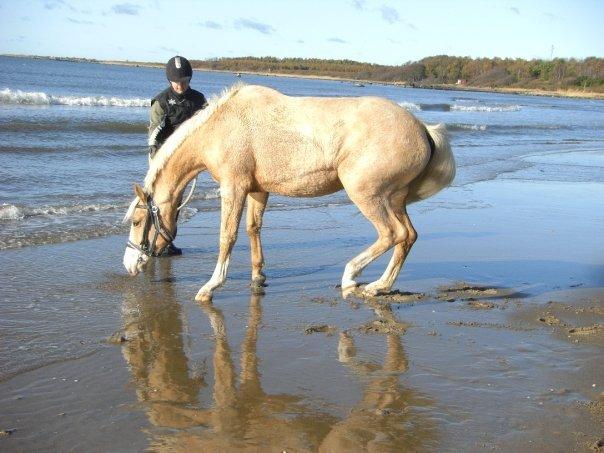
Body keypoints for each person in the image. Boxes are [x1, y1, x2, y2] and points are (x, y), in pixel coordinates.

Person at [147, 56, 207, 256]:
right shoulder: (161, 102)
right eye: (176, 82)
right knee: (159, 202)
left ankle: (167, 241)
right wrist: (156, 166)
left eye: (184, 81)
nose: (180, 85)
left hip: (188, 161)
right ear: (169, 80)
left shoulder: (199, 100)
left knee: (177, 203)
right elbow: (154, 138)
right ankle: (149, 238)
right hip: (164, 161)